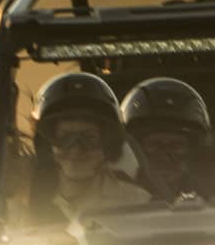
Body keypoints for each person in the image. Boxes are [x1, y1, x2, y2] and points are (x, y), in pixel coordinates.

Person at [28, 72, 148, 223]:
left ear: (108, 145)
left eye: (89, 138)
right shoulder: (22, 198)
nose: (76, 149)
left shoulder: (137, 203)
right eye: (65, 137)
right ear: (47, 144)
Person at [119, 77, 211, 201]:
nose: (165, 156)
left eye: (176, 146)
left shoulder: (211, 196)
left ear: (191, 151)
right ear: (135, 148)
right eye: (155, 144)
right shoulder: (114, 195)